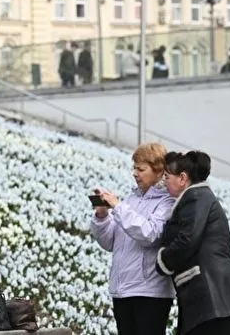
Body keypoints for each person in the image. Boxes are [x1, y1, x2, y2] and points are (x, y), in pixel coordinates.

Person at [90, 143, 175, 335]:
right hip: (123, 288)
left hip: (150, 292)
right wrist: (102, 216)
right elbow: (111, 242)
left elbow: (150, 234)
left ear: (158, 171)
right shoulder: (132, 199)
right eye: (134, 168)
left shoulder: (167, 201)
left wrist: (118, 207)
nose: (135, 173)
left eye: (141, 169)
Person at [157, 151, 230, 335]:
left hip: (209, 300)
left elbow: (187, 239)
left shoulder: (195, 197)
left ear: (182, 178)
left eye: (167, 176)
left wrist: (163, 261)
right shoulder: (200, 197)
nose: (164, 182)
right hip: (216, 301)